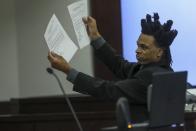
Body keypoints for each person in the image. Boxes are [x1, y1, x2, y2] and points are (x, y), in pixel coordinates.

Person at [48, 13, 178, 121]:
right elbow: (119, 65)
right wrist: (95, 37)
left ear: (160, 52)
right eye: (138, 45)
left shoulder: (151, 76)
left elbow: (108, 89)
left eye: (144, 47)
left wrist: (68, 70)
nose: (137, 51)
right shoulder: (152, 69)